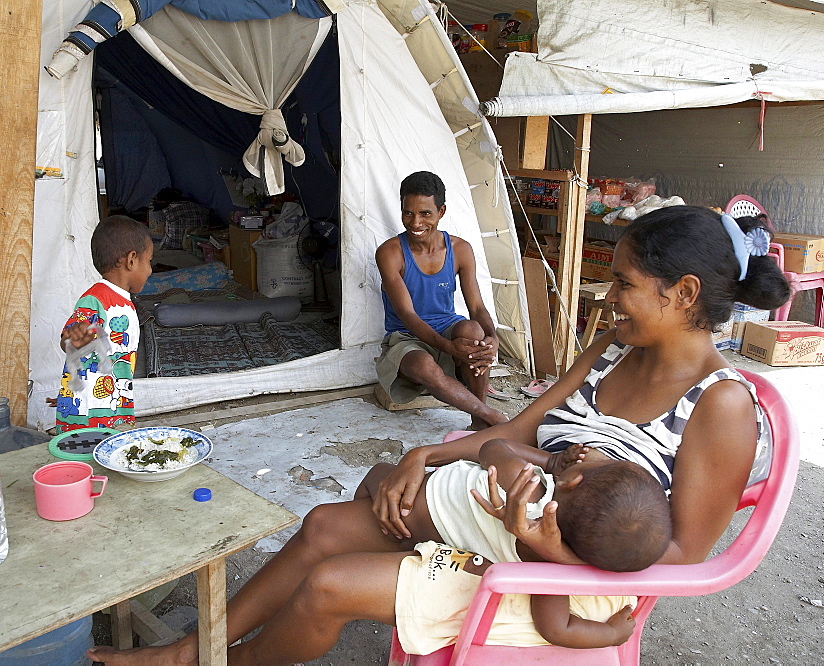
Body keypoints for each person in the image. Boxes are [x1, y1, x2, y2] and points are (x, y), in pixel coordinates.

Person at [87, 205, 791, 664]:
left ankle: (210, 664)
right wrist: (420, 454)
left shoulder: (721, 406)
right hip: (506, 520)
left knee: (328, 586)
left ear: (685, 294)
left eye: (625, 284)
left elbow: (684, 556)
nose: (609, 299)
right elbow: (514, 428)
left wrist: (549, 549)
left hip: (564, 580)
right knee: (327, 526)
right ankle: (190, 653)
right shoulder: (611, 349)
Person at [356, 437, 670, 651]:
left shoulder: (523, 481)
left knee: (378, 476)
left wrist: (550, 460)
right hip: (440, 535)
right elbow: (558, 628)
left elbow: (493, 446)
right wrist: (613, 635)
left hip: (417, 502)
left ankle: (367, 545)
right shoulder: (546, 560)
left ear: (573, 480)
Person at [375, 171, 507, 430]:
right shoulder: (390, 252)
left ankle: (478, 422)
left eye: (425, 213)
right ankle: (490, 417)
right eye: (408, 213)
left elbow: (477, 307)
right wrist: (449, 348)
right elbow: (408, 316)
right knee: (424, 365)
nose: (415, 222)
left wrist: (493, 338)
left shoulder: (460, 249)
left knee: (474, 331)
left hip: (447, 329)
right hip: (406, 337)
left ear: (441, 211)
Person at [55, 216, 153, 432]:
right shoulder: (96, 299)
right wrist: (73, 339)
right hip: (90, 411)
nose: (150, 270)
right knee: (91, 456)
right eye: (149, 261)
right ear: (132, 260)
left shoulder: (122, 300)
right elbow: (69, 338)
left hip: (113, 402)